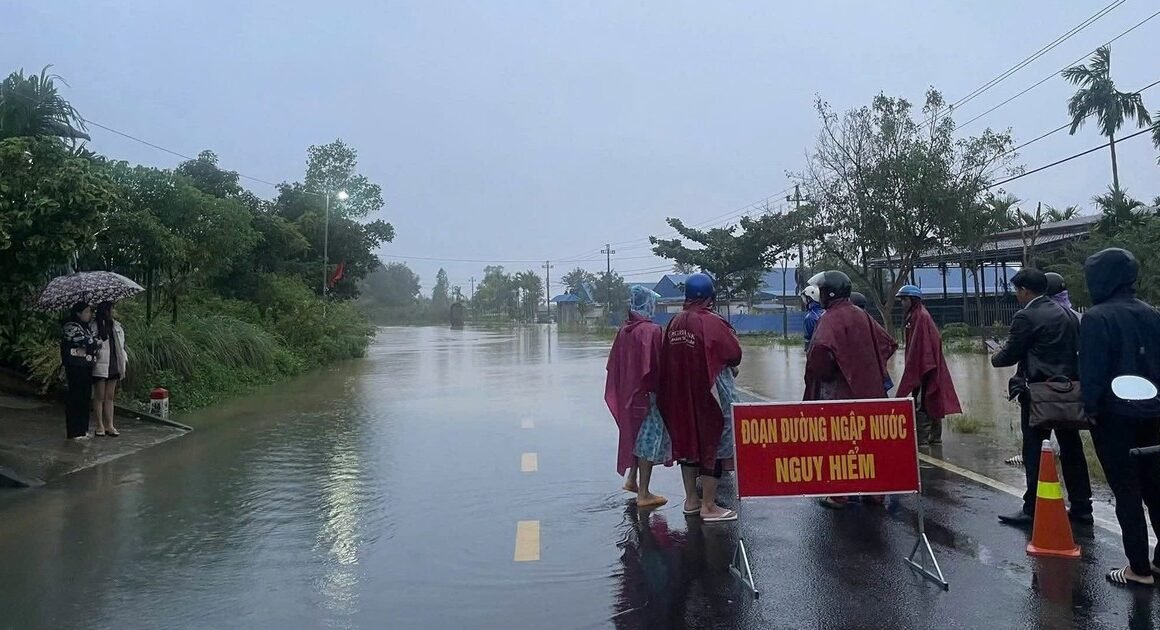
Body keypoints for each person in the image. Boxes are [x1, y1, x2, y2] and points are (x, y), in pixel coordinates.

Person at [1078, 248, 1160, 587]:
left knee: (1127, 491)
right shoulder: (1152, 314)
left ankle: (1138, 568)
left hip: (1114, 418)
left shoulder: (1096, 318)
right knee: (1156, 488)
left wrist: (1090, 411)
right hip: (1154, 415)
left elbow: (1092, 373)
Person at [991, 268, 1092, 527]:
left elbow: (1010, 355)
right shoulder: (1068, 314)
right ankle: (1082, 507)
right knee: (1072, 449)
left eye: (1017, 290)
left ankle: (1032, 508)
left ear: (1025, 290)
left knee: (1034, 451)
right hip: (1069, 393)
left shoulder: (1026, 316)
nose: (1016, 295)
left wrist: (995, 356)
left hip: (1038, 395)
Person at [804, 271, 898, 508]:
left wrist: (832, 374)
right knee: (869, 442)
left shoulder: (830, 318)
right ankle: (875, 493)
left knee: (839, 443)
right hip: (871, 392)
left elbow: (819, 354)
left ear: (829, 293)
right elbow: (888, 343)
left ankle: (839, 494)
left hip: (840, 394)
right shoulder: (861, 314)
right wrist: (868, 367)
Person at [657, 273, 742, 523]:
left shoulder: (674, 322)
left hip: (680, 394)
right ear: (710, 297)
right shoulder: (711, 321)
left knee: (688, 441)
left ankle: (691, 500)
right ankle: (709, 506)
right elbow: (734, 354)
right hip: (710, 393)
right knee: (713, 440)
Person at [606, 286, 671, 508]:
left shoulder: (624, 330)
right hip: (647, 394)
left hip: (629, 393)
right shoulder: (652, 331)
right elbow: (659, 364)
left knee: (636, 435)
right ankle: (644, 493)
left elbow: (614, 364)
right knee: (648, 438)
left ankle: (632, 479)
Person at [895, 285, 961, 446]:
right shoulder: (915, 316)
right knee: (930, 399)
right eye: (901, 300)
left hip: (925, 366)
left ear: (913, 300)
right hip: (924, 365)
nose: (902, 303)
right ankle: (934, 437)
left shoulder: (920, 317)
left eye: (905, 299)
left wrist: (920, 367)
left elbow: (924, 345)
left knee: (923, 401)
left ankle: (923, 440)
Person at [60, 302, 99, 440]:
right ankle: (74, 430)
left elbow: (94, 342)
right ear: (78, 313)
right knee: (75, 397)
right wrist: (92, 343)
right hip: (75, 366)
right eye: (86, 312)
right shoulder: (70, 326)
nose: (89, 315)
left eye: (90, 311)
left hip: (86, 366)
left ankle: (83, 429)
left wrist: (93, 343)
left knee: (85, 397)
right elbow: (87, 342)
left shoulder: (86, 327)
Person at [90, 301, 127, 437]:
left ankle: (110, 425)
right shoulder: (94, 326)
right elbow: (92, 344)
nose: (114, 311)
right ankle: (99, 425)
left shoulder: (116, 326)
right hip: (100, 363)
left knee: (110, 396)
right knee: (99, 395)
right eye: (112, 309)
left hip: (114, 363)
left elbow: (121, 345)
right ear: (106, 311)